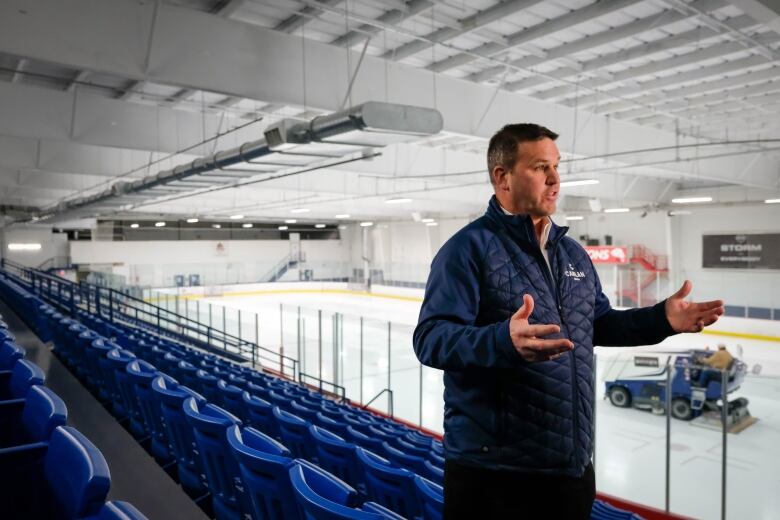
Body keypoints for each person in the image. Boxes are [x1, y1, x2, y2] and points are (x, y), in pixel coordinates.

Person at [412, 123, 724, 520]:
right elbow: (431, 339)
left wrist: (661, 319)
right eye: (541, 167)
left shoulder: (573, 254)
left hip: (569, 468)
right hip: (494, 476)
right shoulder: (466, 250)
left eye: (557, 166)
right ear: (502, 177)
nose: (556, 179)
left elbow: (599, 324)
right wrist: (501, 341)